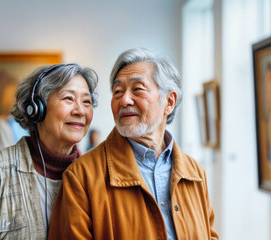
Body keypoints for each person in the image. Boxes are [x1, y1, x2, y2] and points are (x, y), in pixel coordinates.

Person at [49, 48, 219, 239]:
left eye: (137, 89)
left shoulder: (195, 174)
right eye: (118, 91)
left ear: (169, 102)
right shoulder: (82, 176)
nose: (124, 100)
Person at [0, 63, 98, 239]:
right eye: (69, 98)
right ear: (36, 109)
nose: (80, 110)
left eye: (87, 101)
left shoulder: (95, 175)